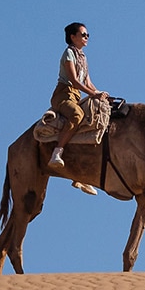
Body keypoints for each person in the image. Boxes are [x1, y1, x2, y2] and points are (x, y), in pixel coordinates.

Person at [49, 21, 105, 195]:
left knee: (94, 119)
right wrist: (92, 94)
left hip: (77, 95)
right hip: (64, 95)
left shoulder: (83, 57)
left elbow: (87, 82)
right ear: (73, 37)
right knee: (76, 115)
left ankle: (80, 175)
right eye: (83, 34)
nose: (87, 38)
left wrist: (101, 94)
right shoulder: (68, 54)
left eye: (88, 35)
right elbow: (74, 81)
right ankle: (56, 153)